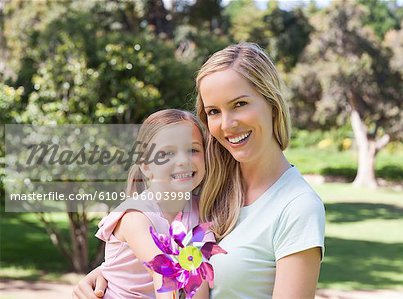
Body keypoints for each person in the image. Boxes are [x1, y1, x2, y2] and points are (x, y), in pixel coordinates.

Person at [73, 42, 325, 299]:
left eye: (239, 104)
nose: (227, 124)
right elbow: (159, 262)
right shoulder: (208, 189)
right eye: (214, 111)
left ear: (272, 103)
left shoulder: (297, 207)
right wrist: (108, 275)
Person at [79, 109, 212, 299]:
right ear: (146, 166)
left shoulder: (202, 213)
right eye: (168, 153)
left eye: (193, 150)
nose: (183, 160)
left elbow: (200, 277)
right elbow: (162, 273)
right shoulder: (135, 216)